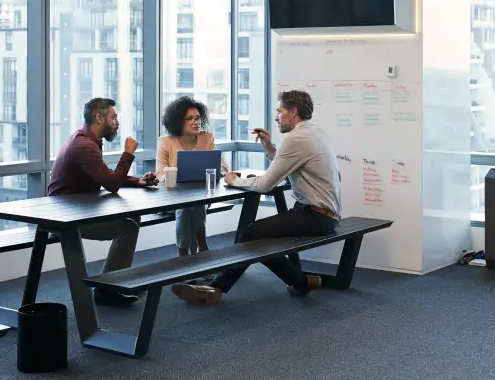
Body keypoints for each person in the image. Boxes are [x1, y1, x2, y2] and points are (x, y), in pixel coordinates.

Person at [170, 90, 341, 305]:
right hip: (324, 213)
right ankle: (299, 281)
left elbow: (265, 184)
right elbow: (287, 164)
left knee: (251, 234)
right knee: (257, 236)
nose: (277, 116)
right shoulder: (314, 133)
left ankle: (216, 289)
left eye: (280, 111)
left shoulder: (295, 139)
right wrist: (269, 147)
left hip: (316, 215)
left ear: (293, 112)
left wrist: (234, 181)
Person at [49, 97, 158, 307]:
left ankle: (112, 284)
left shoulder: (87, 141)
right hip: (65, 217)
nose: (117, 122)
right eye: (114, 117)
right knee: (127, 227)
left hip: (77, 209)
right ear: (99, 118)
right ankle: (108, 290)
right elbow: (111, 184)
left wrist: (139, 181)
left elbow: (105, 176)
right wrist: (128, 153)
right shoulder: (84, 147)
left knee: (132, 216)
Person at [156, 96, 229, 257]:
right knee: (185, 206)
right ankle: (202, 247)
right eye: (189, 119)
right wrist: (172, 175)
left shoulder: (207, 138)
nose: (196, 122)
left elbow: (222, 165)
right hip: (172, 200)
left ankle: (182, 255)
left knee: (193, 204)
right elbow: (160, 173)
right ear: (178, 122)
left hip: (200, 198)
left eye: (197, 118)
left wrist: (217, 170)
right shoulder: (166, 142)